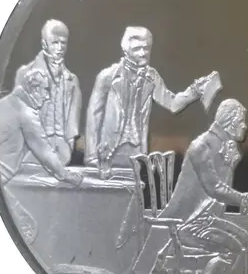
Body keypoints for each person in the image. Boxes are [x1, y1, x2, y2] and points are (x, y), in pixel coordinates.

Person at [130, 99, 248, 274]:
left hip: (204, 218)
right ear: (230, 122)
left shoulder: (225, 146)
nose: (245, 127)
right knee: (233, 247)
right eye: (241, 121)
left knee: (243, 237)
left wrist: (230, 165)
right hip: (184, 223)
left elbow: (217, 196)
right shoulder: (201, 146)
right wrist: (245, 199)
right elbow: (213, 188)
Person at [85, 26, 217, 174]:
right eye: (137, 49)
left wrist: (194, 91)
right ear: (126, 50)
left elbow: (172, 103)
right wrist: (92, 156)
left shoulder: (151, 77)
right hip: (108, 152)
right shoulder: (107, 77)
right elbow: (93, 117)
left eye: (146, 48)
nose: (143, 53)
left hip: (137, 151)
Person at [0, 69, 83, 243]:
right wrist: (65, 174)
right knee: (25, 229)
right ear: (34, 89)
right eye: (45, 90)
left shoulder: (5, 103)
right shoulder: (25, 112)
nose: (47, 97)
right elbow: (43, 150)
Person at [15, 19, 81, 165]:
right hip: (32, 149)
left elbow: (73, 117)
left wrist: (70, 142)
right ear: (44, 44)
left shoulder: (72, 80)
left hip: (62, 150)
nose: (59, 48)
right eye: (55, 42)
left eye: (63, 43)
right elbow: (18, 115)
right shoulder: (25, 74)